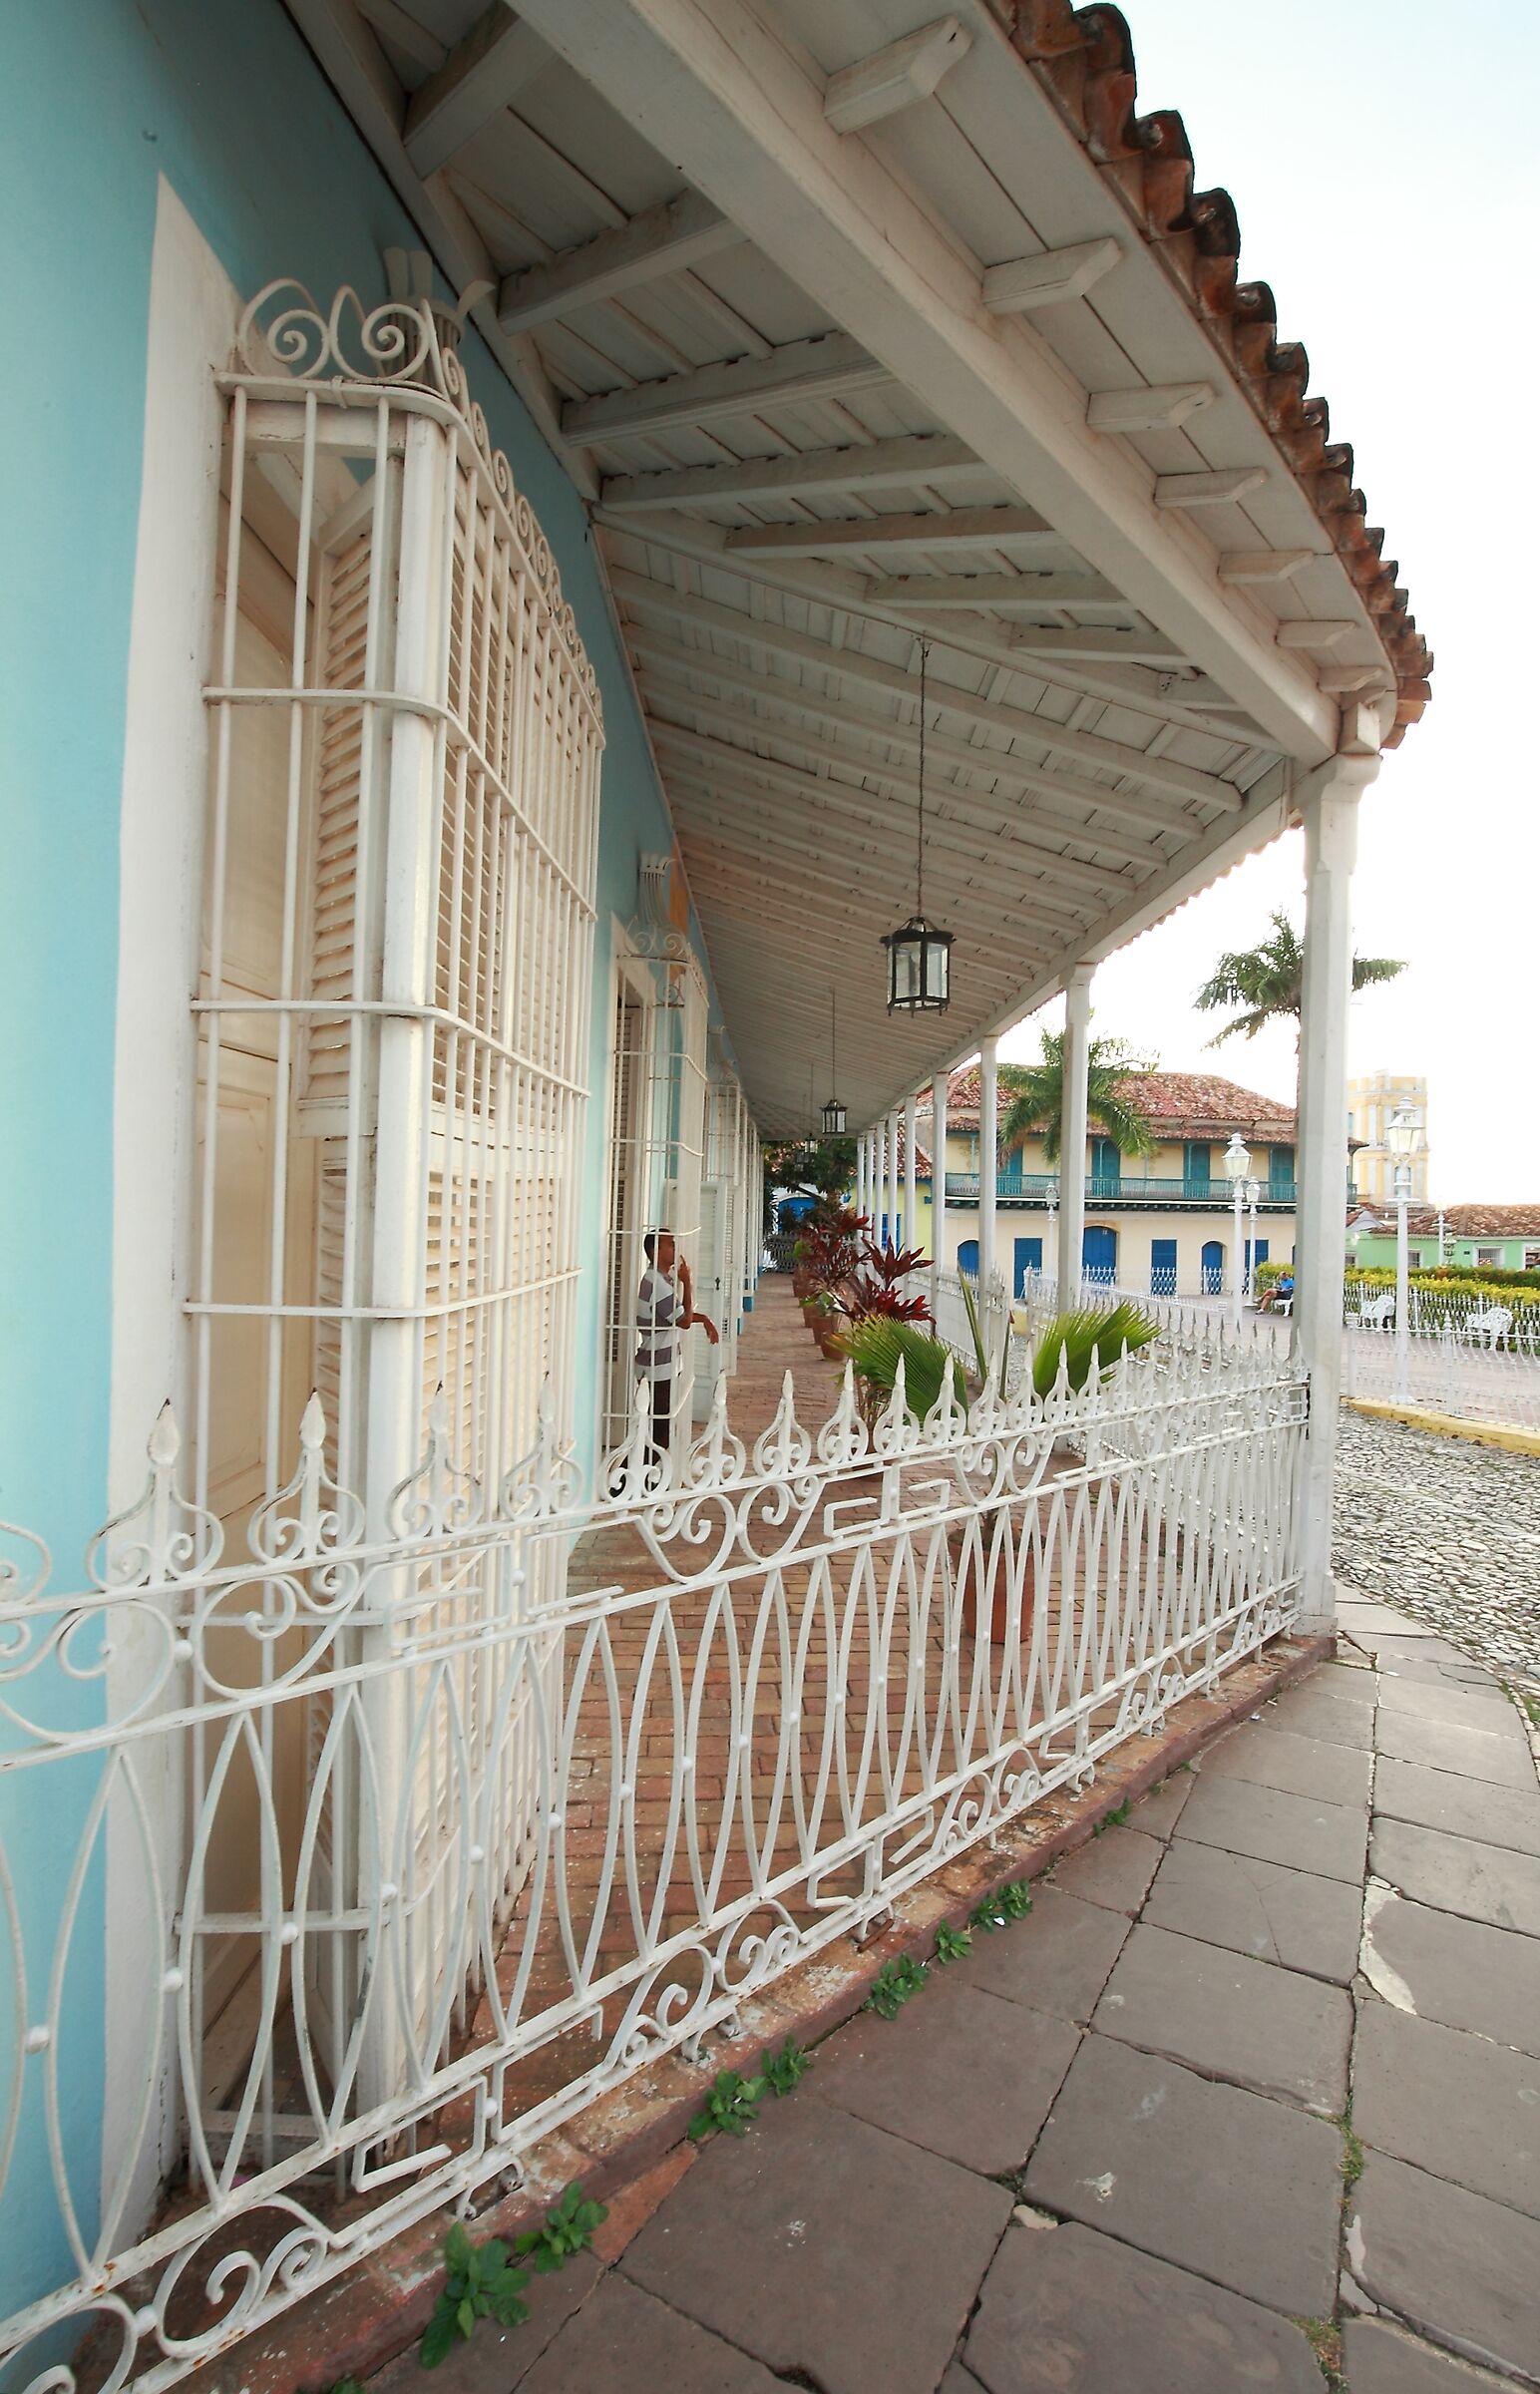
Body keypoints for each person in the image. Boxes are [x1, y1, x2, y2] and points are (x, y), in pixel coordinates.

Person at [636, 1229, 718, 1468]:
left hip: (662, 1363)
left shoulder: (662, 1280)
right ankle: (635, 1483)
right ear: (655, 1251)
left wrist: (704, 1319)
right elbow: (682, 1321)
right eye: (670, 1244)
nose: (676, 1249)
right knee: (658, 1430)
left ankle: (640, 1480)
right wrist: (688, 1282)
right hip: (657, 1366)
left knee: (656, 1427)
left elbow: (679, 1315)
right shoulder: (656, 1283)